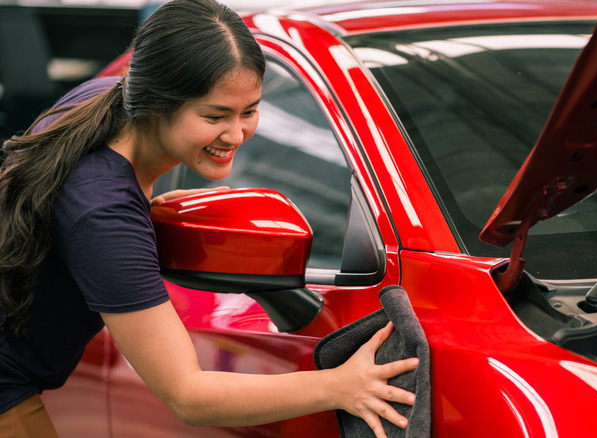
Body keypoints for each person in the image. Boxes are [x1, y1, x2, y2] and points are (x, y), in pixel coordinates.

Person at [0, 1, 418, 437]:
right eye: (215, 116)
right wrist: (337, 387)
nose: (236, 134)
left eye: (249, 110)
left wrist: (146, 210)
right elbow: (188, 394)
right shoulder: (102, 208)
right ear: (155, 104)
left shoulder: (99, 100)